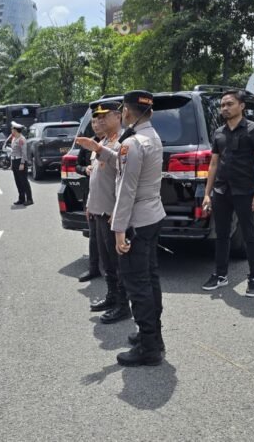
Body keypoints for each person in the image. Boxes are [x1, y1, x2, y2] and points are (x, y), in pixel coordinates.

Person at [76, 90, 166, 367]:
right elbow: (126, 167)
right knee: (150, 279)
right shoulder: (150, 137)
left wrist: (118, 229)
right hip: (152, 215)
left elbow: (126, 189)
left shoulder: (134, 143)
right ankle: (153, 337)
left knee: (137, 284)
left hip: (136, 221)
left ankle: (149, 347)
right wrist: (101, 150)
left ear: (126, 112)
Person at [200, 90, 254, 297]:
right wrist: (207, 193)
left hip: (245, 191)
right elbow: (214, 163)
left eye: (229, 104)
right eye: (222, 105)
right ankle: (220, 275)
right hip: (221, 190)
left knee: (250, 235)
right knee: (221, 235)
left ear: (241, 106)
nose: (225, 108)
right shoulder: (219, 132)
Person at [83, 100, 130, 324]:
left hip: (112, 212)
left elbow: (124, 181)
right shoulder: (102, 141)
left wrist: (117, 210)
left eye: (104, 117)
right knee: (107, 261)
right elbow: (96, 177)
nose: (100, 121)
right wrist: (90, 205)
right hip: (99, 211)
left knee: (118, 263)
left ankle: (123, 306)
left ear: (117, 116)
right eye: (98, 118)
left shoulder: (122, 142)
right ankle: (112, 297)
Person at [75, 116, 102, 283]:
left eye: (99, 121)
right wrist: (85, 169)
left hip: (110, 195)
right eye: (93, 122)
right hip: (91, 194)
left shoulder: (115, 141)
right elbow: (77, 166)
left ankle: (112, 270)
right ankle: (93, 268)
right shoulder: (87, 144)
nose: (96, 125)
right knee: (94, 234)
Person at [9, 122, 33, 206]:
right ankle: (21, 198)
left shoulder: (21, 139)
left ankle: (29, 199)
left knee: (24, 181)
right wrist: (12, 163)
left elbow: (24, 153)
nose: (11, 130)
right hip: (15, 161)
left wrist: (22, 163)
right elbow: (13, 152)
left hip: (20, 161)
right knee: (18, 181)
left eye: (12, 129)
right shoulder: (14, 138)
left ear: (15, 130)